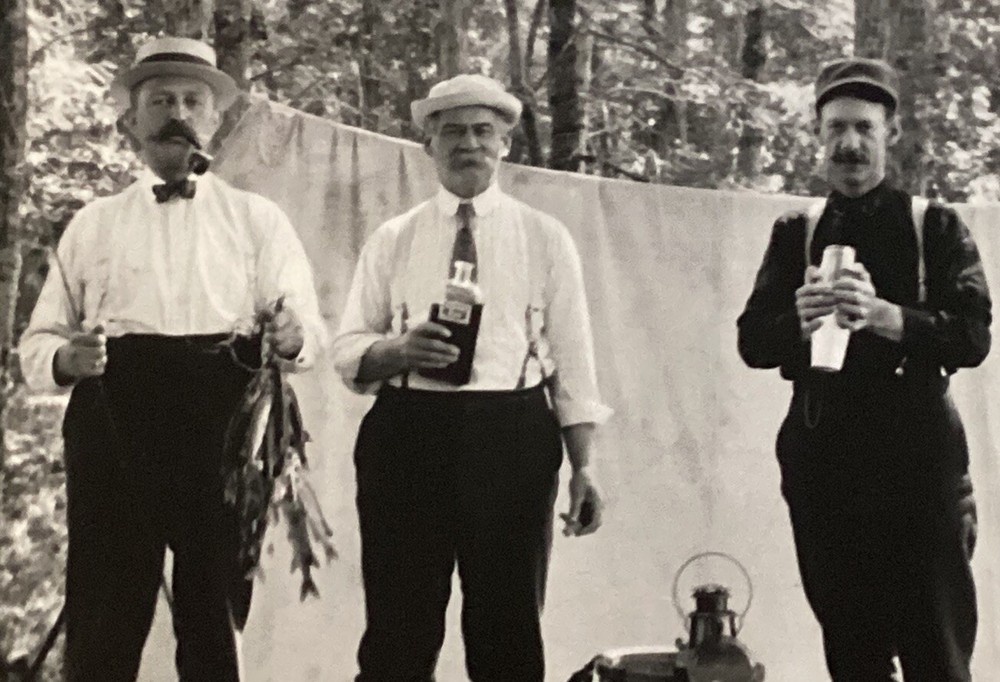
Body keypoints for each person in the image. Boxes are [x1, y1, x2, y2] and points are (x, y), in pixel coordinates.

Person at [19, 36, 326, 682]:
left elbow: (307, 335)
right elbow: (36, 345)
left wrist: (291, 332)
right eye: (160, 100)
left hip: (222, 429)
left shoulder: (257, 222)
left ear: (214, 120)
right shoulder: (94, 224)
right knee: (105, 613)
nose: (176, 113)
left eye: (192, 100)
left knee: (213, 616)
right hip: (113, 425)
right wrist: (68, 359)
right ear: (132, 122)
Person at [333, 73, 612, 681]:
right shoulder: (395, 238)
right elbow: (348, 349)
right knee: (399, 631)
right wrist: (399, 350)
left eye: (484, 131)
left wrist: (584, 466)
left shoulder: (545, 237)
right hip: (408, 435)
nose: (469, 144)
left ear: (506, 143)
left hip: (510, 434)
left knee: (507, 630)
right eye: (453, 131)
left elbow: (574, 362)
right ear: (428, 142)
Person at [737, 58, 990, 681]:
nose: (849, 144)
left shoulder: (933, 225)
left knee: (936, 652)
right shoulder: (796, 230)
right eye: (836, 129)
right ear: (818, 135)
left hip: (918, 465)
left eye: (864, 129)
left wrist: (885, 316)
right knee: (852, 654)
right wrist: (795, 322)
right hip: (826, 465)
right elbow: (752, 342)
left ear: (890, 134)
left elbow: (974, 336)